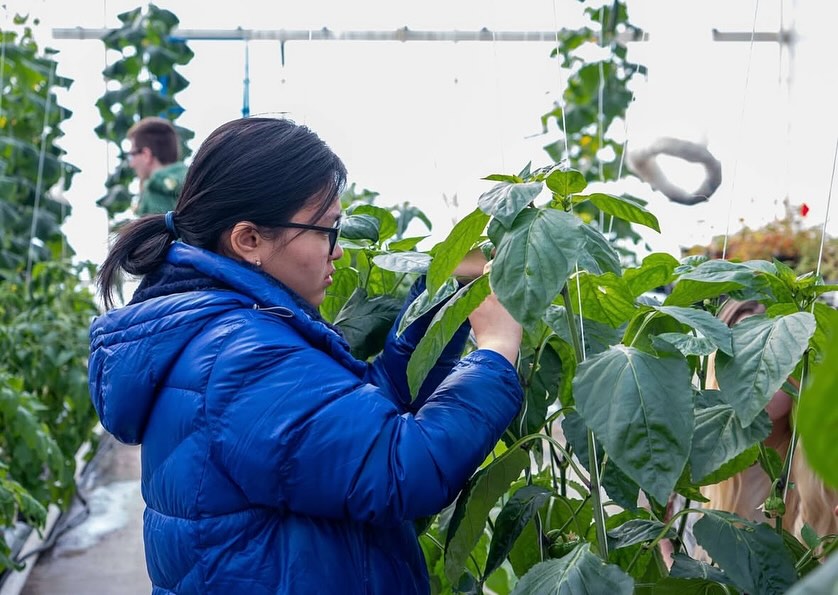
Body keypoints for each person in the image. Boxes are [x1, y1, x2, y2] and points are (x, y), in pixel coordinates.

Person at [89, 116, 524, 594]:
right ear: (248, 240)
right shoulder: (239, 355)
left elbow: (358, 426)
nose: (337, 251)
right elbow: (401, 468)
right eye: (327, 230)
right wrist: (497, 352)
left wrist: (442, 289)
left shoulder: (230, 331)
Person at [126, 116, 188, 216]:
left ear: (146, 155)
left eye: (132, 155)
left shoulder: (154, 190)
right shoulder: (195, 180)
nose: (131, 164)